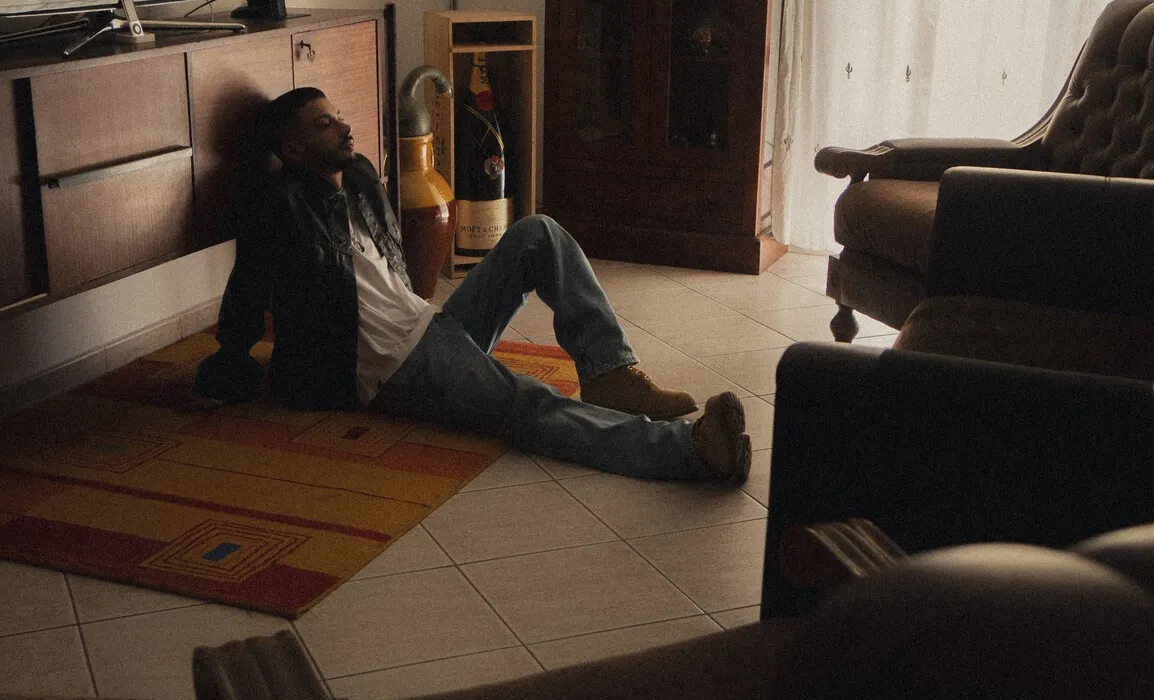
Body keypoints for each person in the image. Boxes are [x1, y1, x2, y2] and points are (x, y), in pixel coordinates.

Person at [194, 87, 752, 484]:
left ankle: (610, 374)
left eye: (339, 117)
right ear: (291, 151)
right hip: (393, 368)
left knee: (537, 233)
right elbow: (248, 289)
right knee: (528, 404)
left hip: (430, 326)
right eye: (324, 125)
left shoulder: (357, 178)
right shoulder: (280, 210)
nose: (344, 127)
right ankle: (690, 450)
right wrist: (230, 362)